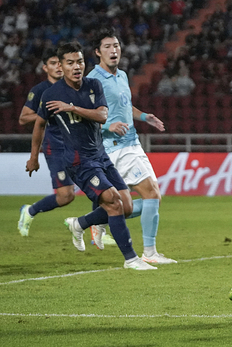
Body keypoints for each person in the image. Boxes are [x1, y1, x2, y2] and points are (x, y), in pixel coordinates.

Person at [25, 41, 155, 270]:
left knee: (125, 206)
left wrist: (72, 108)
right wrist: (34, 157)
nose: (77, 67)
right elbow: (39, 125)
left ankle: (79, 223)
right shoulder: (50, 94)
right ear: (62, 67)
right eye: (70, 63)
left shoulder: (93, 85)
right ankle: (131, 259)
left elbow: (103, 115)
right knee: (114, 202)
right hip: (78, 161)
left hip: (101, 156)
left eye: (80, 61)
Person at [87, 27, 176, 264]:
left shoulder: (122, 76)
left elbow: (126, 108)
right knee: (151, 194)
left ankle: (96, 220)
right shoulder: (93, 81)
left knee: (138, 200)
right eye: (107, 46)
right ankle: (149, 253)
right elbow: (87, 117)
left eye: (116, 45)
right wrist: (109, 127)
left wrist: (146, 117)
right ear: (98, 52)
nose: (113, 50)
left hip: (131, 143)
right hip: (114, 147)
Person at [17, 48, 75, 237]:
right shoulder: (40, 91)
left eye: (60, 62)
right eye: (52, 63)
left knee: (100, 187)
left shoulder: (73, 86)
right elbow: (23, 118)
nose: (58, 67)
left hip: (77, 145)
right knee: (66, 196)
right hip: (55, 146)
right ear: (45, 67)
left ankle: (95, 227)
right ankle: (30, 211)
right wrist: (45, 114)